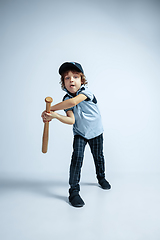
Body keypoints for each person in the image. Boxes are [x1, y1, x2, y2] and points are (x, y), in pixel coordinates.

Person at [41, 62, 111, 207]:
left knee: (98, 156)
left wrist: (50, 109)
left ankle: (101, 177)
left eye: (75, 76)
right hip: (80, 133)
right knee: (77, 158)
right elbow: (71, 120)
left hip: (96, 131)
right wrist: (54, 116)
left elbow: (73, 101)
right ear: (63, 83)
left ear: (82, 80)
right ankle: (73, 191)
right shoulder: (66, 99)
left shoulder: (86, 92)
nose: (71, 80)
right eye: (66, 78)